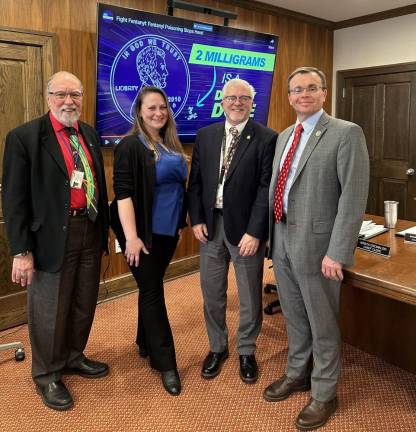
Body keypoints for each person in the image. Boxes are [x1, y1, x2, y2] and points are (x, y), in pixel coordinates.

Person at [264, 66, 369, 430]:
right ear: (289, 97)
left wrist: (337, 252)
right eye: (296, 90)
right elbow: (279, 190)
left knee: (322, 323)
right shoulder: (284, 136)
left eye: (311, 88)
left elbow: (353, 198)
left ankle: (325, 392)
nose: (303, 94)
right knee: (294, 316)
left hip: (320, 246)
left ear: (324, 93)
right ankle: (298, 373)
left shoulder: (345, 133)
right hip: (282, 241)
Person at [2, 71, 110, 411]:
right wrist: (21, 250)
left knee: (83, 301)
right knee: (49, 309)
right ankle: (47, 373)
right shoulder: (25, 137)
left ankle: (73, 356)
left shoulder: (89, 134)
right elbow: (14, 199)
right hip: (48, 238)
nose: (69, 101)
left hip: (88, 230)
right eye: (61, 94)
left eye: (75, 95)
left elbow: (97, 185)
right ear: (48, 97)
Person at [187, 78, 277, 383]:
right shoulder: (206, 135)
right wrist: (197, 219)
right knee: (212, 293)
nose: (237, 103)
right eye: (231, 98)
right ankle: (217, 347)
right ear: (221, 101)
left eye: (243, 98)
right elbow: (196, 182)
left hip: (247, 229)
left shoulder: (266, 138)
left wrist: (256, 231)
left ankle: (247, 351)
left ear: (252, 103)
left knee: (251, 295)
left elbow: (267, 188)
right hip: (211, 226)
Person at [110, 86, 187, 396]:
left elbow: (178, 187)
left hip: (168, 231)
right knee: (153, 291)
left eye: (163, 108)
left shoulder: (169, 143)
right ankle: (166, 363)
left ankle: (144, 342)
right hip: (140, 233)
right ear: (139, 112)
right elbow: (123, 194)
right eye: (152, 108)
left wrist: (180, 223)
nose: (158, 113)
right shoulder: (130, 145)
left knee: (150, 285)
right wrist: (130, 238)